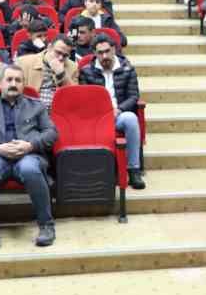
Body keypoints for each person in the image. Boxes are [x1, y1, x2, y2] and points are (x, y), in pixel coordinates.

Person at [0, 64, 59, 248]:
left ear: (23, 84)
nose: (13, 84)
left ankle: (46, 224)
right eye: (9, 80)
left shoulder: (36, 106)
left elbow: (51, 133)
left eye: (18, 80)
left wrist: (30, 145)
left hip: (28, 155)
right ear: (0, 83)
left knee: (29, 169)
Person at [78, 35, 144, 190]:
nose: (105, 56)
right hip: (97, 116)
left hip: (120, 113)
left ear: (114, 49)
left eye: (108, 51)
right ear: (94, 53)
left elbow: (134, 96)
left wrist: (119, 109)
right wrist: (104, 111)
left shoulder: (127, 68)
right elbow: (85, 99)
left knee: (131, 118)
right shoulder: (86, 71)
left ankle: (133, 169)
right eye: (100, 53)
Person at [15, 35, 78, 108]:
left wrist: (61, 74)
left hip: (58, 111)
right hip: (31, 110)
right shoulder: (24, 62)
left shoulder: (73, 67)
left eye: (65, 55)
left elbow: (74, 97)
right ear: (49, 47)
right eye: (58, 52)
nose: (61, 58)